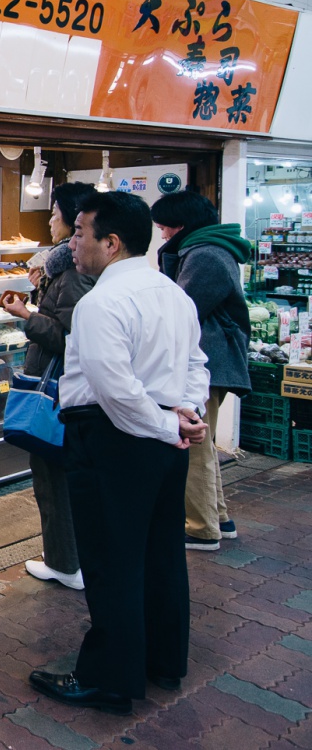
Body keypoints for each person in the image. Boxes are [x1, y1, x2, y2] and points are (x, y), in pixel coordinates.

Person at [30, 191, 209, 715]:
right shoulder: (173, 294)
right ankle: (163, 661)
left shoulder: (101, 302)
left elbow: (115, 390)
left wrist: (161, 422)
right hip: (166, 442)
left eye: (81, 232)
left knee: (112, 561)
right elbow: (195, 364)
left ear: (111, 243)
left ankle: (109, 679)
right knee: (160, 554)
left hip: (114, 441)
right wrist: (186, 415)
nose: (75, 241)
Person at [0, 182, 96, 591]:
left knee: (53, 479)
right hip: (64, 388)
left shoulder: (71, 277)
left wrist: (26, 315)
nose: (52, 221)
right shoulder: (62, 270)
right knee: (58, 478)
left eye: (56, 214)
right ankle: (70, 558)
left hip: (56, 391)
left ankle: (64, 563)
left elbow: (68, 338)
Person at [151, 190, 251, 552]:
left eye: (164, 228)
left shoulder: (206, 255)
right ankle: (218, 518)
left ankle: (200, 527)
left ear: (182, 225)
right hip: (214, 359)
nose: (162, 235)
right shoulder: (209, 249)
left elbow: (184, 308)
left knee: (193, 444)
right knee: (203, 443)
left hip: (208, 362)